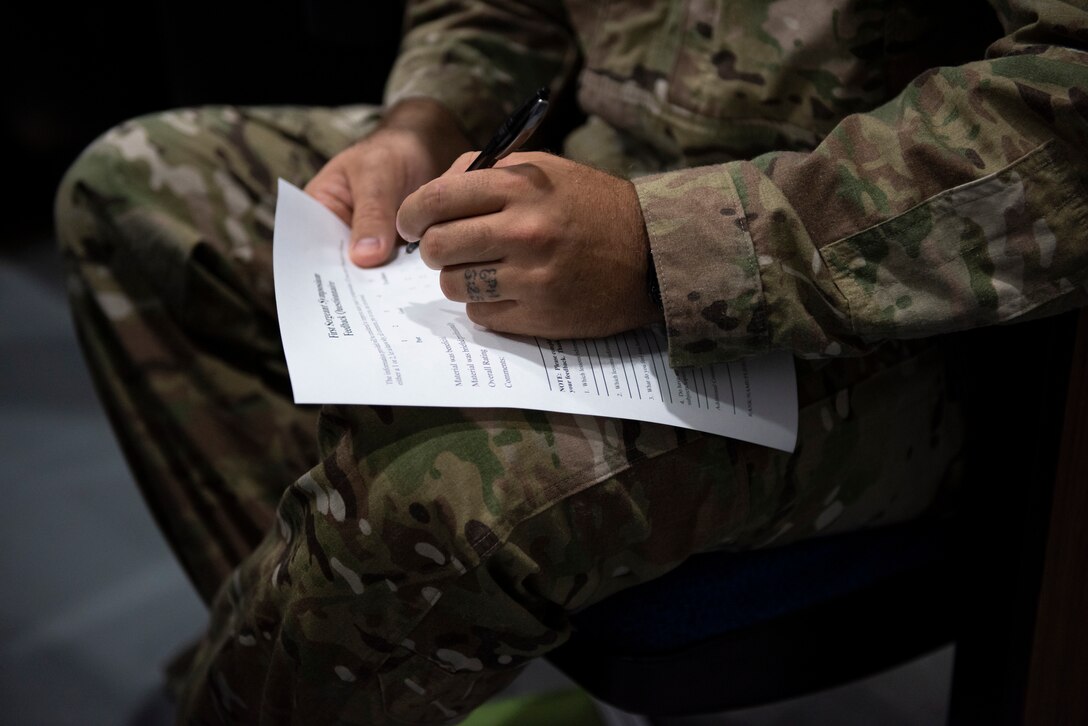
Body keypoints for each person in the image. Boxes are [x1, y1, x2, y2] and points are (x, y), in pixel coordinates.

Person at [55, 0, 1087, 722]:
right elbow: (502, 11)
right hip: (590, 169)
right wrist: (425, 121)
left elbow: (1066, 97)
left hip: (890, 293)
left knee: (433, 480)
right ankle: (350, 664)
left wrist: (664, 245)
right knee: (135, 192)